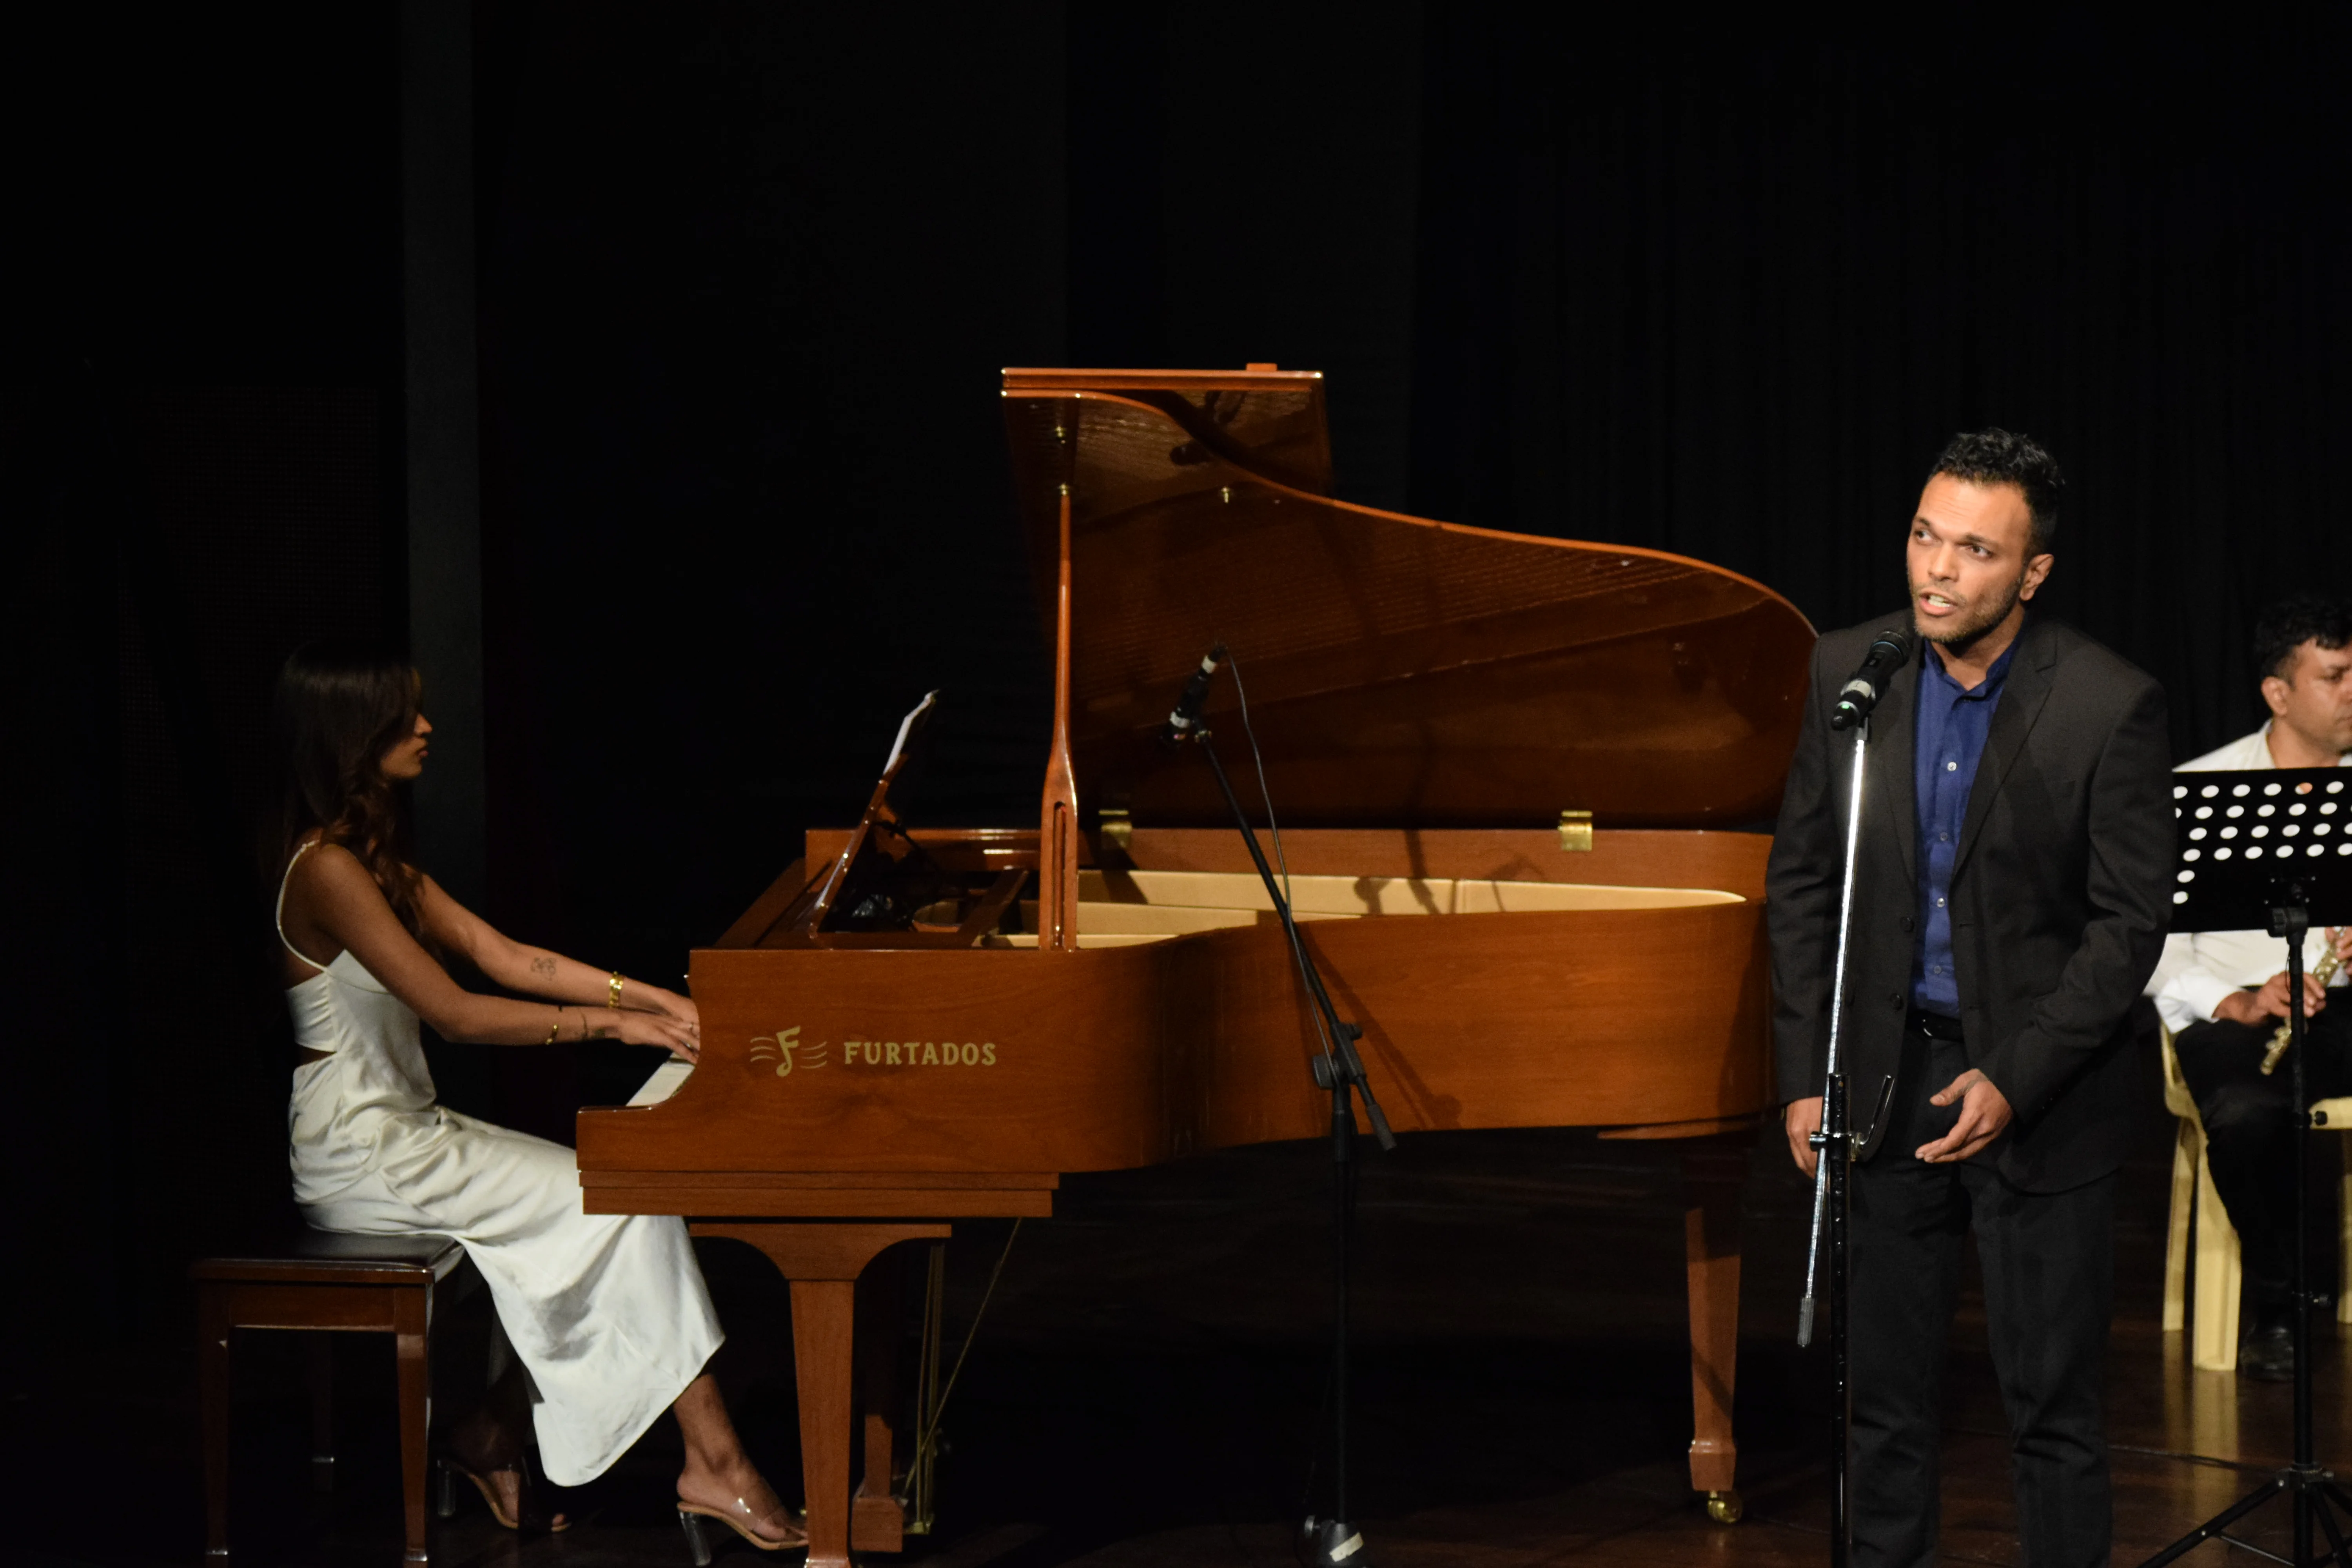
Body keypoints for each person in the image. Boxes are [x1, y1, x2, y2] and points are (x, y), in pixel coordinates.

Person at [270, 644, 802, 1552]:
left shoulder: (373, 860)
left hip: (411, 1134)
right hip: (363, 1151)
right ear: (355, 734)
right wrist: (614, 1028)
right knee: (622, 1199)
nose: (427, 727)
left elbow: (507, 956)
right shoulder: (325, 870)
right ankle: (714, 1463)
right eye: (405, 715)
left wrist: (655, 999)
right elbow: (456, 1012)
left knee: (617, 1203)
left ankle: (493, 1431)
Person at [1768, 430, 2174, 1566]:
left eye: (1976, 551)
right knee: (1884, 1401)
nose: (1938, 570)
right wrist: (1805, 1075)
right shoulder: (1850, 672)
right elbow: (1803, 884)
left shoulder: (2108, 703)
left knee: (2052, 1410)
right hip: (1886, 1082)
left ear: (2032, 572)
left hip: (2042, 1093)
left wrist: (2017, 1075)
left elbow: (2126, 927)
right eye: (1924, 536)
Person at [2147, 594, 2352, 1379]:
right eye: (2333, 676)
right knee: (2244, 1112)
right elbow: (2147, 943)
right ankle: (2281, 1298)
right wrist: (2233, 1000)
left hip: (2342, 1007)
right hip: (2235, 1010)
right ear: (2278, 692)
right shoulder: (2200, 788)